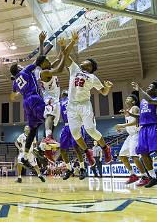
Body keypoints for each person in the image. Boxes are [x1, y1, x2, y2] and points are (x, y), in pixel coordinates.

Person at [9, 34, 65, 163]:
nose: (22, 66)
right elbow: (39, 58)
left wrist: (18, 93)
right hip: (35, 97)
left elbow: (12, 97)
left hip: (25, 102)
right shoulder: (27, 71)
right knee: (49, 116)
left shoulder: (15, 82)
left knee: (33, 128)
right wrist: (42, 43)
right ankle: (44, 144)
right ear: (18, 68)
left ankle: (25, 154)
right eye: (20, 66)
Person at [62, 31, 113, 166]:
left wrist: (107, 87)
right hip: (72, 106)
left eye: (86, 61)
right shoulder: (74, 69)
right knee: (75, 134)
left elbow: (103, 92)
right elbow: (65, 55)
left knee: (90, 130)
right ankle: (87, 152)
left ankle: (105, 148)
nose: (82, 61)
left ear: (90, 66)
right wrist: (71, 42)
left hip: (84, 105)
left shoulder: (92, 77)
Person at [35, 32, 66, 155]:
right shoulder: (45, 72)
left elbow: (45, 56)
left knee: (53, 120)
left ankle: (48, 142)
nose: (48, 59)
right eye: (47, 60)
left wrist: (42, 42)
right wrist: (64, 55)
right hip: (50, 99)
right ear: (43, 64)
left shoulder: (46, 69)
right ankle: (47, 138)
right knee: (49, 116)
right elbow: (60, 69)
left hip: (54, 98)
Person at [115, 94, 149, 186]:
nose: (126, 99)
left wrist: (122, 125)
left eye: (128, 98)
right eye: (126, 98)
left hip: (136, 135)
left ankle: (145, 177)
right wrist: (120, 129)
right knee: (122, 155)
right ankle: (133, 175)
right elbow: (130, 125)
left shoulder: (134, 108)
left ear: (133, 101)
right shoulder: (127, 112)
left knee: (134, 156)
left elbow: (137, 121)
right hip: (130, 136)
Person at [59, 90, 88, 180]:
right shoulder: (60, 103)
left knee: (76, 147)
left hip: (76, 124)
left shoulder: (74, 99)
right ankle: (69, 169)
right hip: (66, 126)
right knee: (62, 150)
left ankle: (82, 169)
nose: (63, 92)